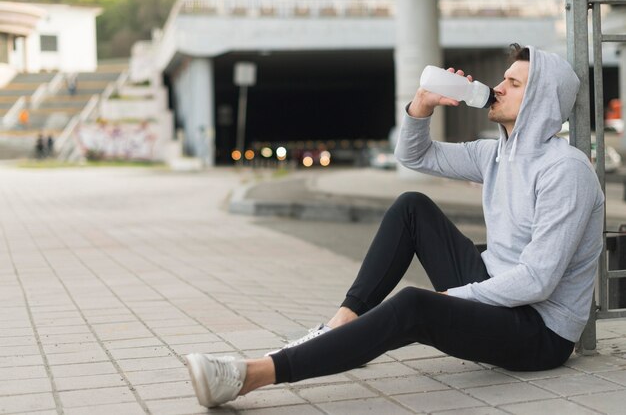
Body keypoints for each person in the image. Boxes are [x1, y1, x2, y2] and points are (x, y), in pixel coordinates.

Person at [183, 44, 605, 408]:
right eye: (504, 77)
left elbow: (537, 281)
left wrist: (450, 298)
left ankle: (250, 375)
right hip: (496, 286)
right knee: (412, 207)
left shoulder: (564, 172)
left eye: (515, 84)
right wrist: (420, 108)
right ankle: (342, 323)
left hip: (539, 329)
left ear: (542, 100)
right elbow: (415, 157)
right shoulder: (493, 154)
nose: (498, 87)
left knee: (413, 306)